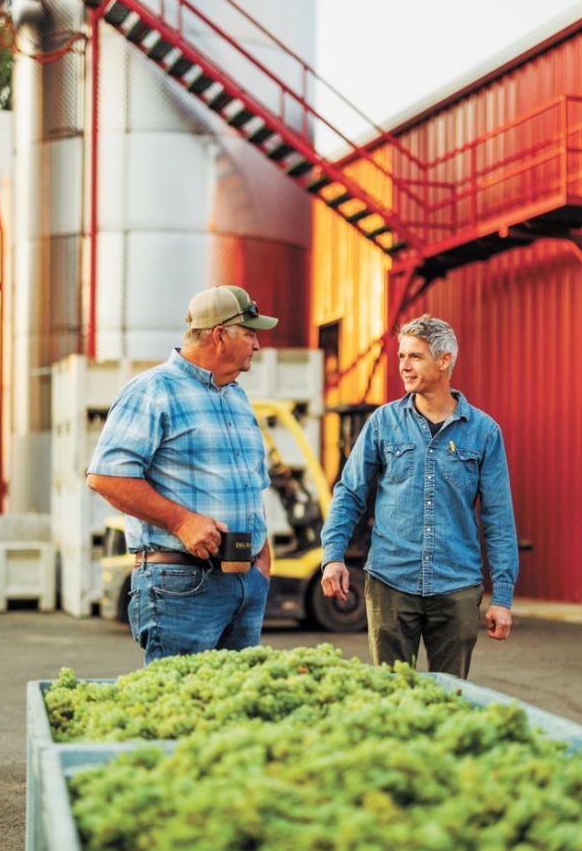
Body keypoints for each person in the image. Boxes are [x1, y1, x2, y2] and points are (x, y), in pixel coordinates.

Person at [86, 285, 278, 664]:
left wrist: (262, 559)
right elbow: (106, 477)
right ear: (220, 335)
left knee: (236, 714)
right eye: (250, 332)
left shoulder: (236, 396)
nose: (257, 344)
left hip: (245, 583)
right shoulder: (153, 390)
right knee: (180, 712)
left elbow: (252, 486)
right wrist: (182, 522)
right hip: (182, 586)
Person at [321, 315, 518, 678]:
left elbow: (499, 518)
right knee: (392, 697)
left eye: (415, 357)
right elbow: (349, 493)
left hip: (456, 586)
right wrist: (333, 555)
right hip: (390, 582)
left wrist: (502, 596)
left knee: (450, 698)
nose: (404, 366)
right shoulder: (383, 423)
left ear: (444, 361)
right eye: (401, 356)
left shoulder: (484, 432)